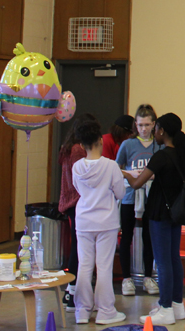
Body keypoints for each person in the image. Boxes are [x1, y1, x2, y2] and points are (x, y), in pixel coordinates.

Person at [123, 113, 185, 325]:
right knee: (173, 259)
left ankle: (165, 308)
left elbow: (136, 184)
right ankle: (177, 305)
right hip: (176, 213)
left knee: (162, 262)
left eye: (156, 128)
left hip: (158, 213)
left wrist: (124, 173)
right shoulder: (183, 156)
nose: (154, 132)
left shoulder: (161, 156)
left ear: (162, 131)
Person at [72, 118, 126, 325]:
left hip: (83, 221)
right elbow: (120, 193)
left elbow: (79, 190)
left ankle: (82, 311)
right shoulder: (110, 166)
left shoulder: (77, 167)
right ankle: (105, 311)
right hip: (106, 222)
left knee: (84, 265)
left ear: (82, 144)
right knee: (103, 266)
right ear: (99, 141)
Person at [116, 104, 161, 296]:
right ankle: (126, 278)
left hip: (151, 196)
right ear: (136, 125)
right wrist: (131, 174)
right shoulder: (128, 145)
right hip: (130, 197)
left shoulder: (158, 145)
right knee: (127, 236)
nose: (144, 129)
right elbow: (117, 168)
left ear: (153, 125)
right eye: (140, 125)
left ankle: (148, 276)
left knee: (149, 237)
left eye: (147, 125)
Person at [58, 113, 96, 312]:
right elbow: (84, 178)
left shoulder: (68, 148)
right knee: (78, 248)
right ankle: (72, 291)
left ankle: (72, 291)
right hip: (76, 203)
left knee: (78, 246)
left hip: (72, 202)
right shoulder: (77, 151)